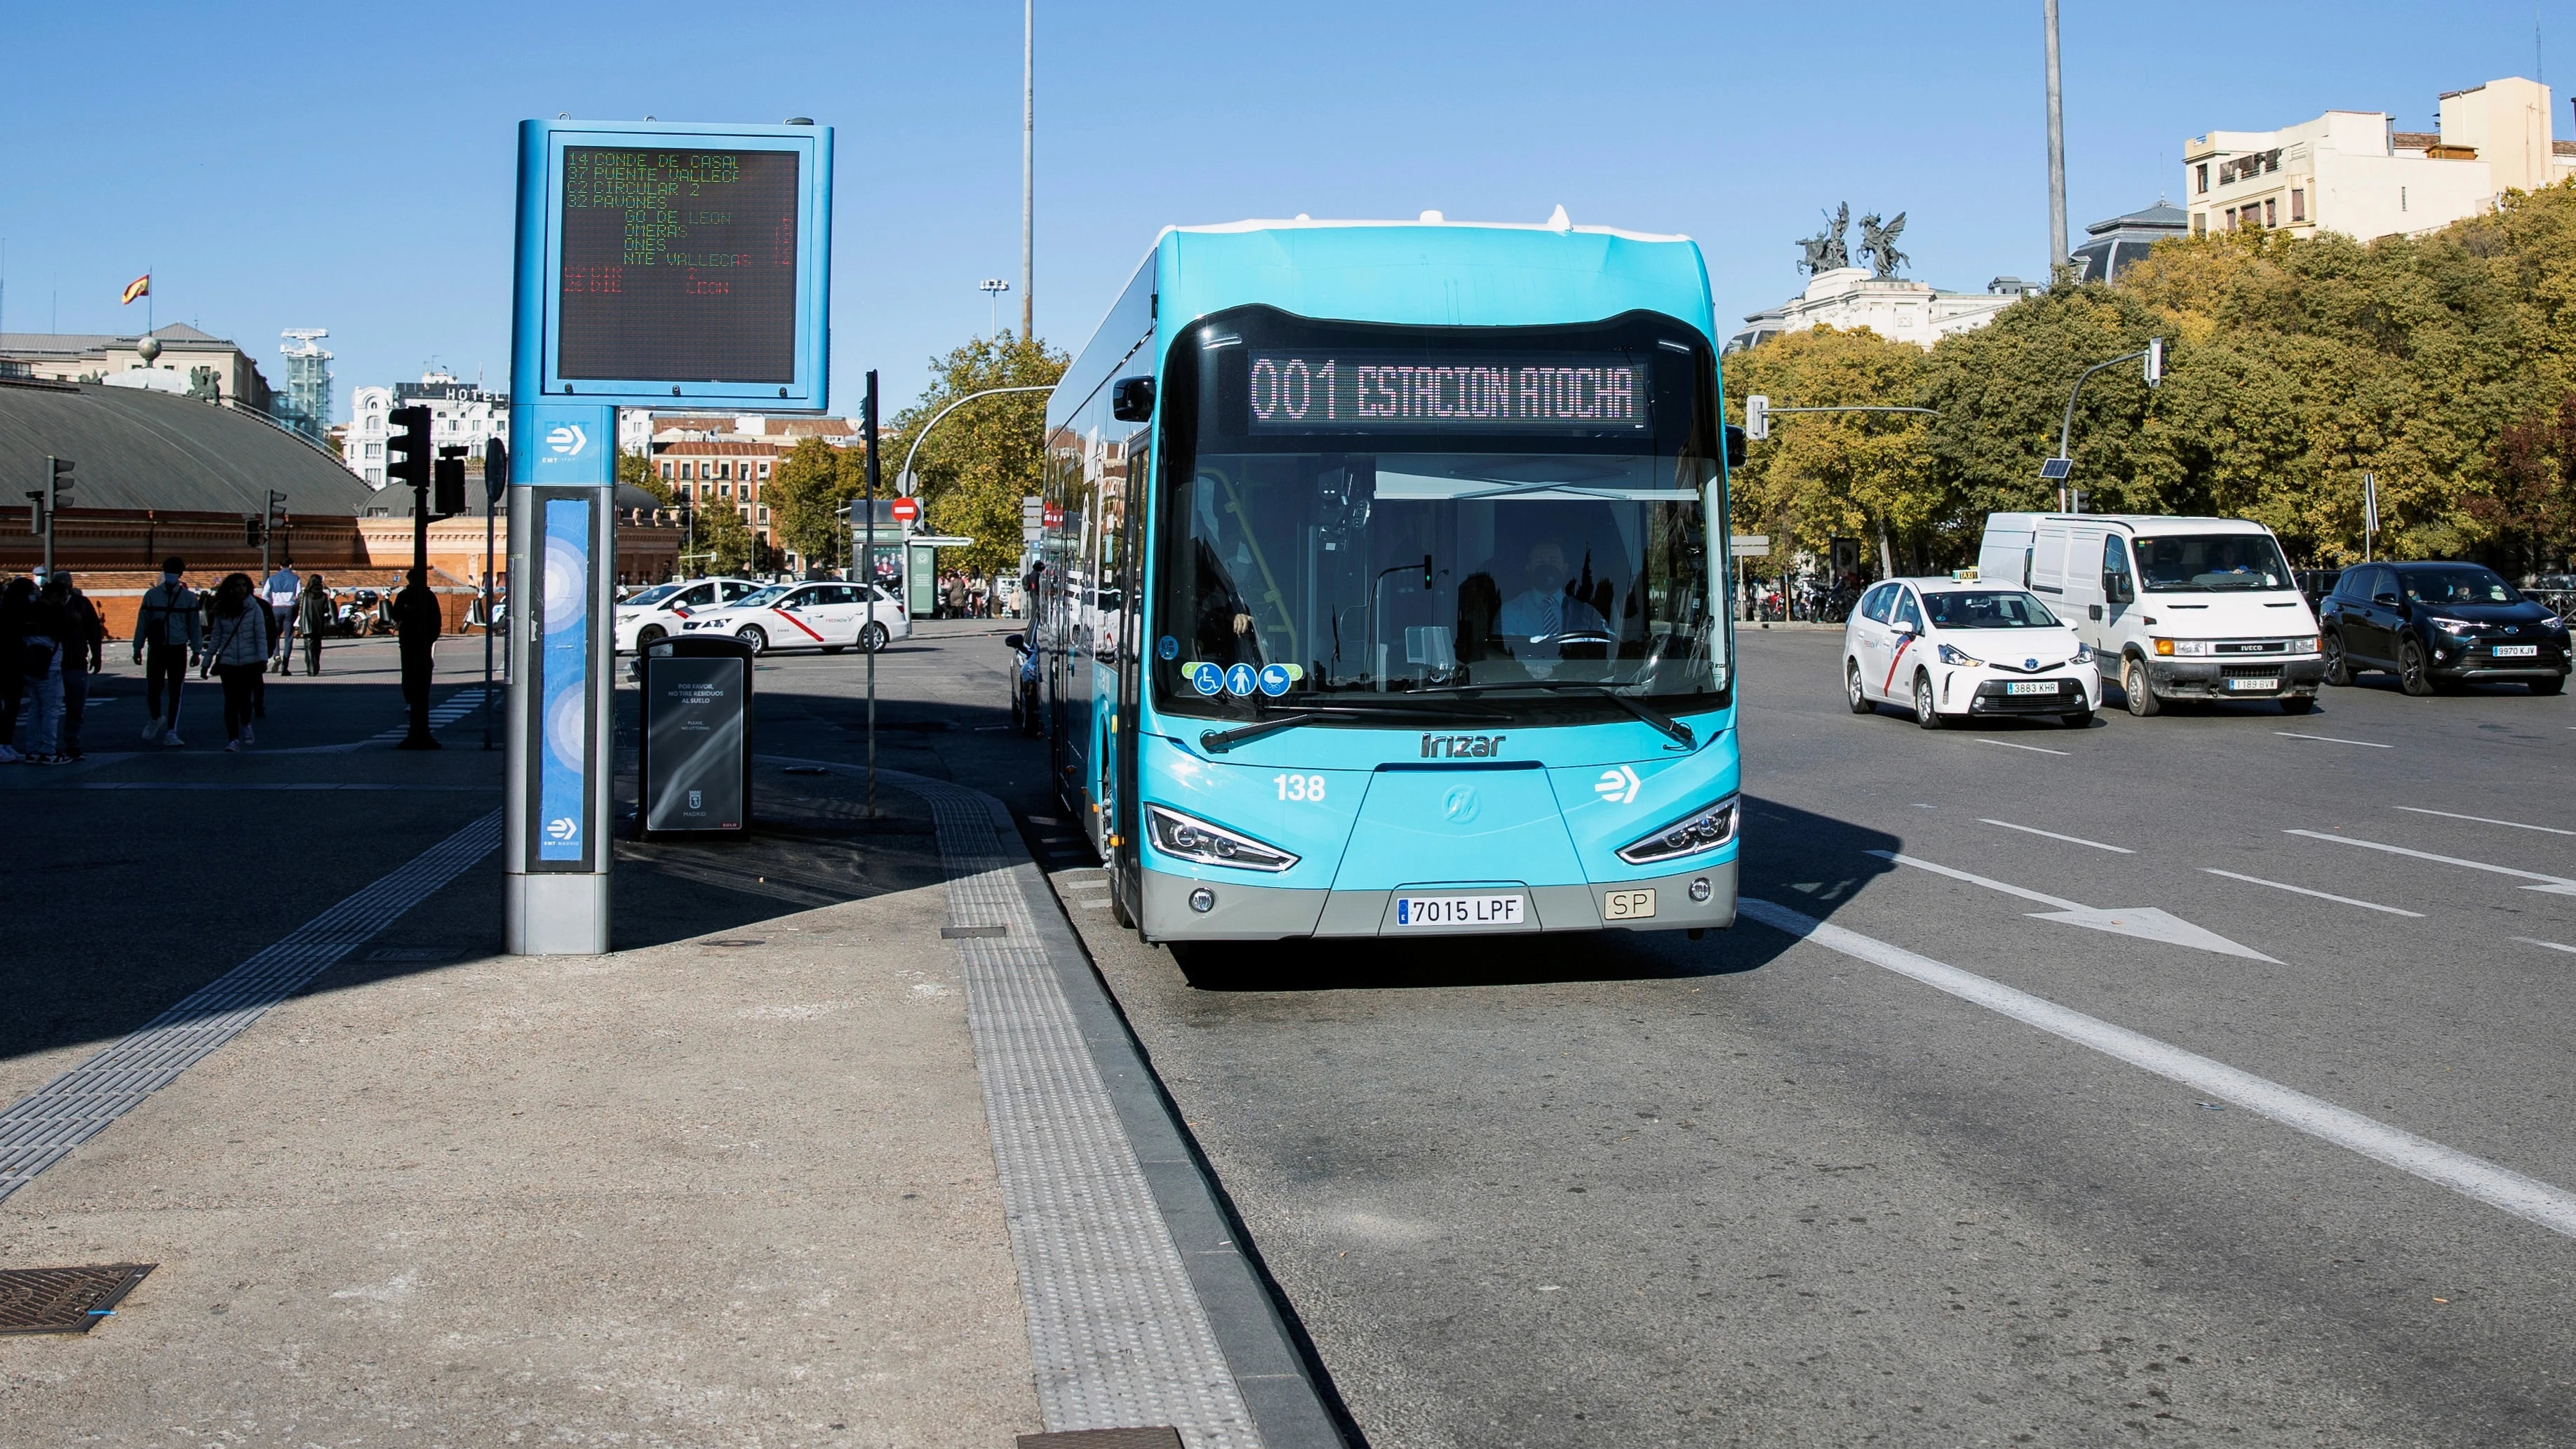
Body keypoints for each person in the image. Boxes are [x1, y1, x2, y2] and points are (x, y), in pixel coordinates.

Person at [132, 558, 201, 746]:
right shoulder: (152, 596)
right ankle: (156, 718)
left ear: (180, 574)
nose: (171, 574)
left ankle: (172, 731)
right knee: (152, 689)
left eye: (174, 571)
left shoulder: (188, 598)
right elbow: (142, 623)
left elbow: (195, 627)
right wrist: (137, 647)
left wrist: (196, 650)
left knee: (175, 692)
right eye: (169, 570)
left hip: (178, 648)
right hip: (157, 648)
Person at [1497, 540, 1609, 645]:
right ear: (1529, 569)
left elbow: (1609, 647)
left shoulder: (1588, 614)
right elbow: (1507, 653)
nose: (1547, 566)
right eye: (1540, 561)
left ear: (1564, 569)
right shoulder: (1511, 612)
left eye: (1553, 561)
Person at [204, 573, 269, 751]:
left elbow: (260, 635)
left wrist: (263, 659)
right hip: (228, 661)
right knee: (230, 702)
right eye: (238, 586)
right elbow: (216, 638)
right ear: (231, 588)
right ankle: (233, 739)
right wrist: (206, 662)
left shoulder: (253, 608)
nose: (242, 589)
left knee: (245, 699)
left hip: (249, 660)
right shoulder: (222, 609)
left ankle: (246, 724)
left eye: (244, 586)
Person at [52, 573, 103, 760]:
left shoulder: (81, 603)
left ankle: (72, 742)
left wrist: (97, 656)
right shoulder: (50, 604)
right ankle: (51, 744)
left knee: (75, 707)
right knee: (52, 708)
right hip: (55, 662)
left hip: (76, 661)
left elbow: (94, 631)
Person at [393, 566, 443, 749]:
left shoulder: (427, 597)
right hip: (411, 639)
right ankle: (411, 701)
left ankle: (416, 702)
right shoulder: (405, 596)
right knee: (412, 673)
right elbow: (395, 614)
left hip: (418, 640)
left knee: (417, 672)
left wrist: (430, 638)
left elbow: (436, 619)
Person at [0, 576, 27, 762]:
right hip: (7, 665)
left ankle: (6, 744)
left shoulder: (18, 614)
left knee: (12, 708)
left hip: (15, 666)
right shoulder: (8, 614)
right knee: (8, 708)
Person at [264, 563, 302, 674]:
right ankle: (285, 667)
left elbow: (265, 594)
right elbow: (299, 595)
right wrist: (295, 605)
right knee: (288, 637)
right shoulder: (295, 579)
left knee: (274, 634)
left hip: (276, 608)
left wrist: (270, 604)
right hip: (290, 608)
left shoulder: (272, 579)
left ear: (280, 566)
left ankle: (276, 656)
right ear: (290, 565)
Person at [296, 574, 331, 676]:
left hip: (307, 624)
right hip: (319, 624)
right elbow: (326, 610)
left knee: (309, 647)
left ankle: (311, 668)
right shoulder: (324, 596)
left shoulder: (303, 595)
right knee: (317, 647)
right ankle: (315, 666)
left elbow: (297, 605)